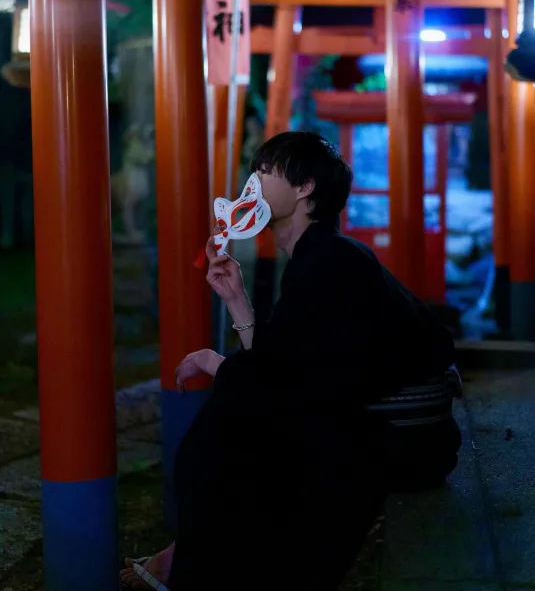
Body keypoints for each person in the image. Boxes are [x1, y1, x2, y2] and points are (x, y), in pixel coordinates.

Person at [121, 131, 461, 591]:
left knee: (225, 430)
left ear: (305, 188)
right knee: (234, 422)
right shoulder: (318, 254)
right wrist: (236, 298)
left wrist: (217, 364)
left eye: (266, 172)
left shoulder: (330, 259)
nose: (253, 183)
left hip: (407, 434)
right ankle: (192, 556)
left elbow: (292, 379)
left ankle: (192, 563)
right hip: (391, 423)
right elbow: (288, 362)